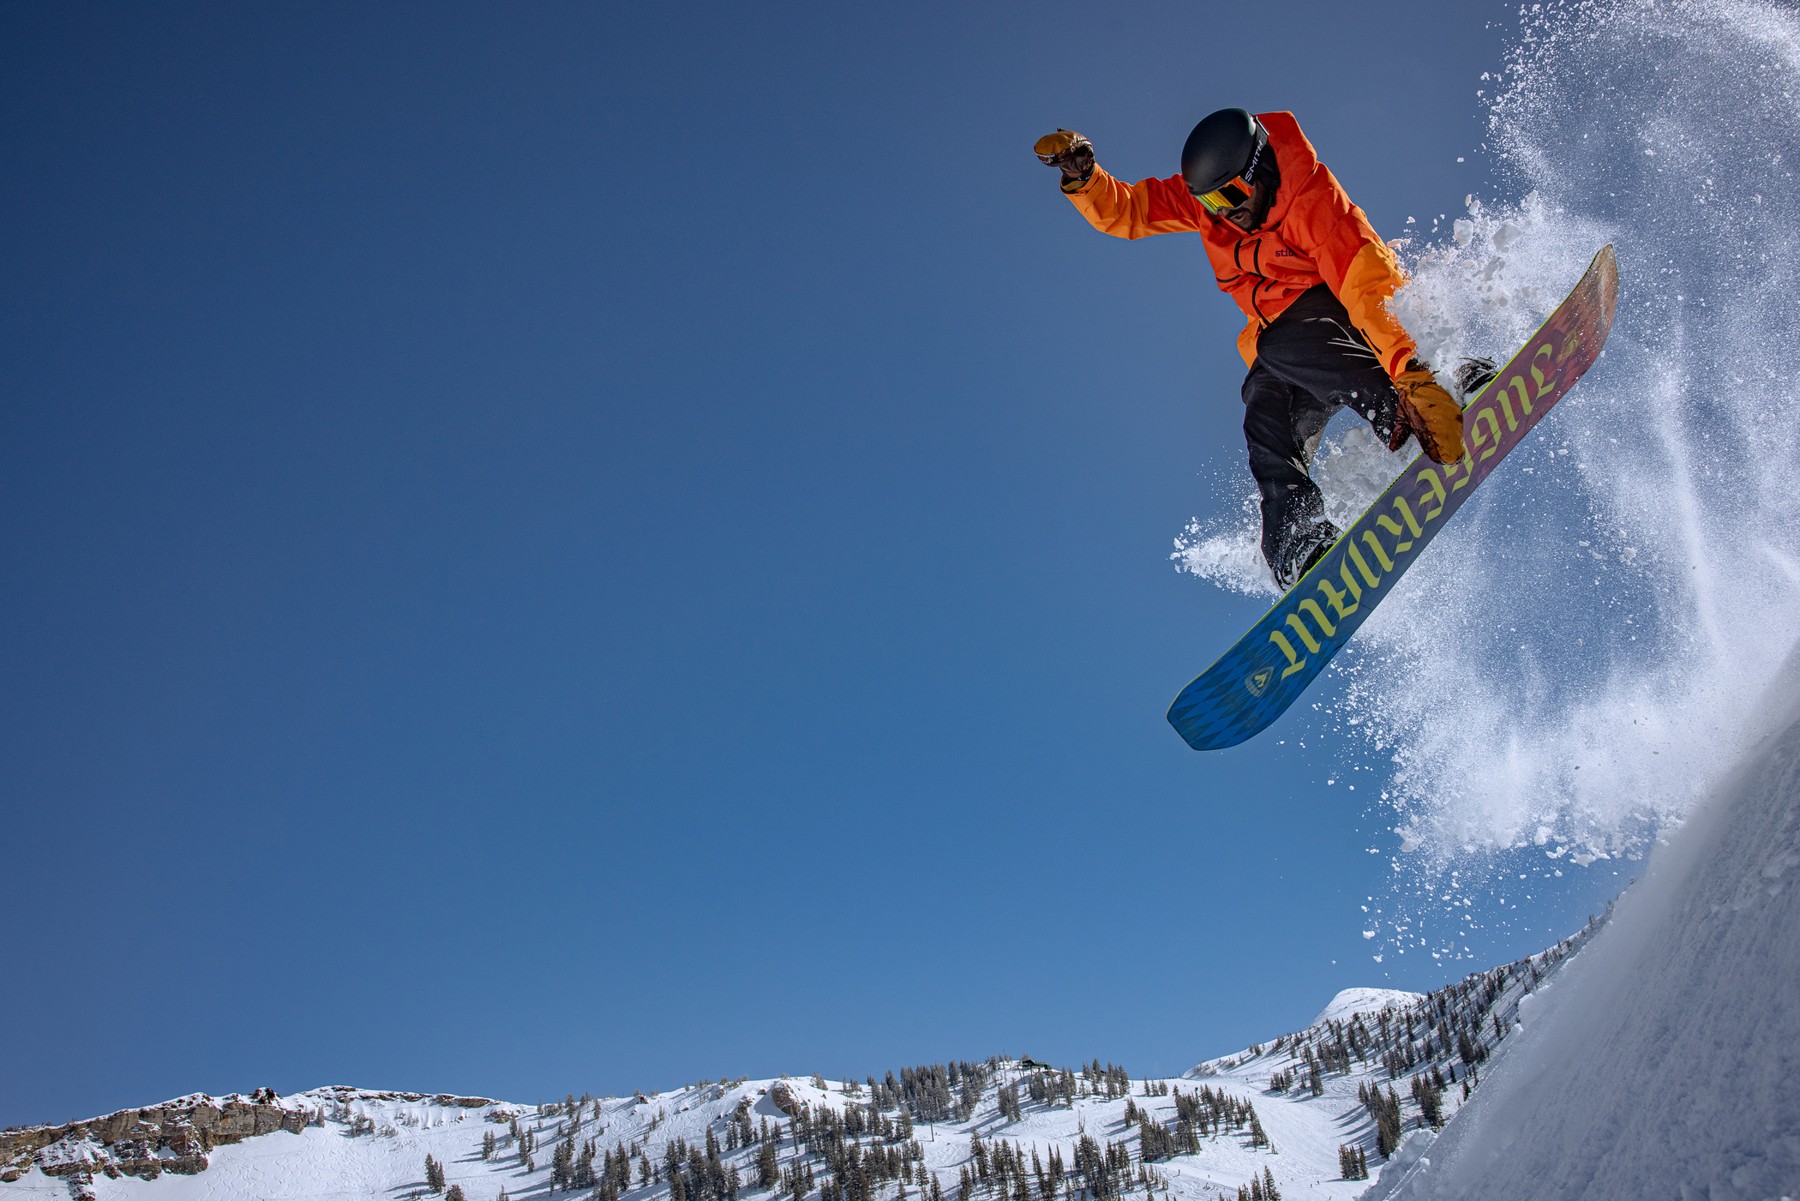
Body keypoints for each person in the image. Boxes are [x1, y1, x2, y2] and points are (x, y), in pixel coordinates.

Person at [1034, 110, 1468, 589]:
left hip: (1344, 318)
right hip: (1287, 343)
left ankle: (1415, 406)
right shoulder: (1210, 206)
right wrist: (1087, 179)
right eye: (1211, 201)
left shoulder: (1312, 197)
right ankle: (1298, 540)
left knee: (1280, 344)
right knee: (1263, 406)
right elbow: (1132, 210)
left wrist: (1411, 370)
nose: (1224, 213)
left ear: (1260, 167)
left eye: (1231, 196)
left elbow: (1368, 287)